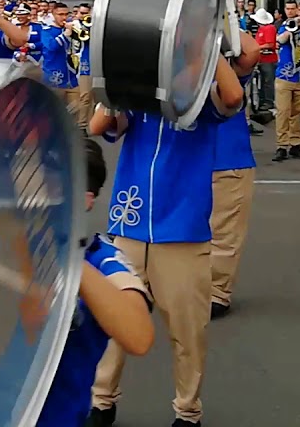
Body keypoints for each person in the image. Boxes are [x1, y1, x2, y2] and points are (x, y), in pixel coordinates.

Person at [86, 52, 245, 427]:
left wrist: (210, 44)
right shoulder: (138, 94)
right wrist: (122, 78)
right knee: (112, 322)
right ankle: (101, 402)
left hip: (182, 230)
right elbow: (98, 124)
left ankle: (187, 411)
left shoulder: (201, 98)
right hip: (128, 225)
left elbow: (234, 97)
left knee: (188, 332)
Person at [37, 139, 153, 426]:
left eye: (51, 184)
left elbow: (138, 336)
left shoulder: (100, 257)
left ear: (85, 199)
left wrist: (67, 256)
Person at [209, 32, 262, 318]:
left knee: (224, 232)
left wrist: (214, 16)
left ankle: (218, 292)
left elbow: (251, 52)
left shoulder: (227, 73)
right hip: (186, 159)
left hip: (229, 157)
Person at [273, 2, 300, 162]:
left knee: (297, 113)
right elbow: (280, 40)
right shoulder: (288, 26)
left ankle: (295, 145)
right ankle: (281, 145)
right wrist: (290, 32)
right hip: (285, 76)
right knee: (283, 111)